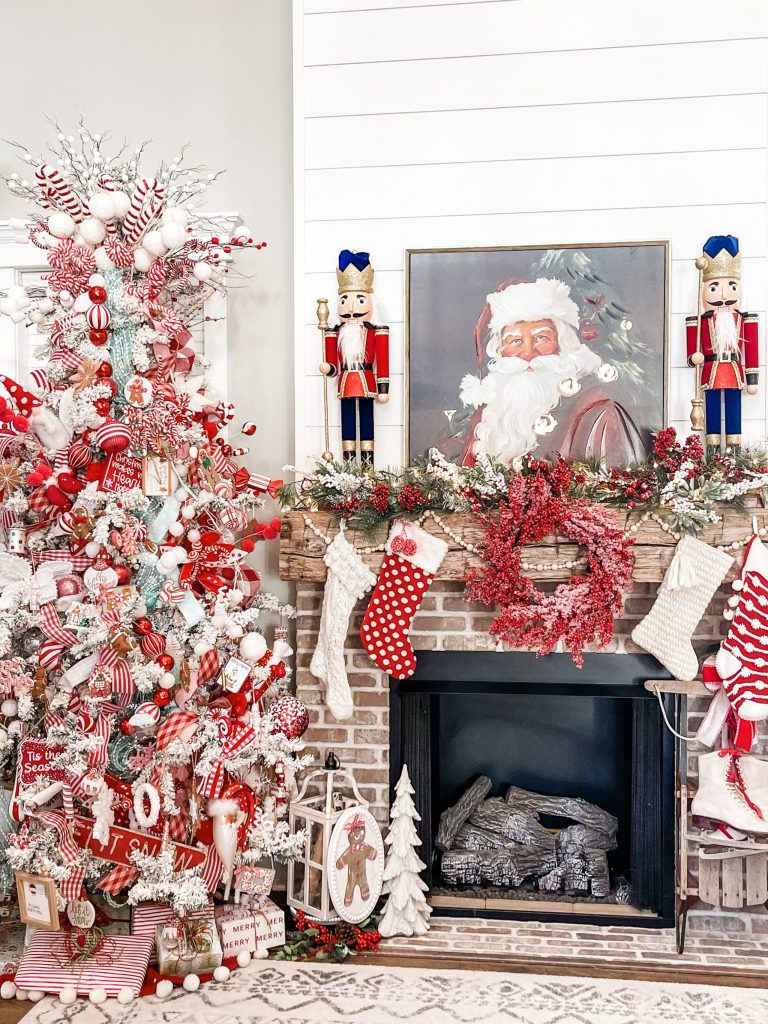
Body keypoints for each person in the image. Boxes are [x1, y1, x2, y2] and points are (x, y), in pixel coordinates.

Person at [459, 277, 602, 465]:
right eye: (515, 341)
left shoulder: (594, 408)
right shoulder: (489, 413)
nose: (528, 353)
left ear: (563, 344)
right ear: (500, 350)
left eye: (541, 337)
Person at [686, 235, 758, 452]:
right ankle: (714, 457)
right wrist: (694, 357)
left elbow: (752, 351)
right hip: (711, 372)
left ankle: (734, 456)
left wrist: (752, 380)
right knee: (713, 415)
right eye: (715, 287)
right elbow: (692, 352)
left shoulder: (745, 320)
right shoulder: (699, 321)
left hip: (734, 372)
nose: (725, 295)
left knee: (735, 414)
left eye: (731, 287)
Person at [319, 250, 389, 465]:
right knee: (347, 423)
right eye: (345, 300)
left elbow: (383, 362)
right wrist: (327, 368)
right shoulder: (334, 332)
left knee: (367, 422)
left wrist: (384, 389)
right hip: (345, 381)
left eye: (359, 300)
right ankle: (349, 467)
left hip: (367, 381)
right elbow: (332, 365)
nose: (350, 307)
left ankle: (368, 467)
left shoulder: (377, 331)